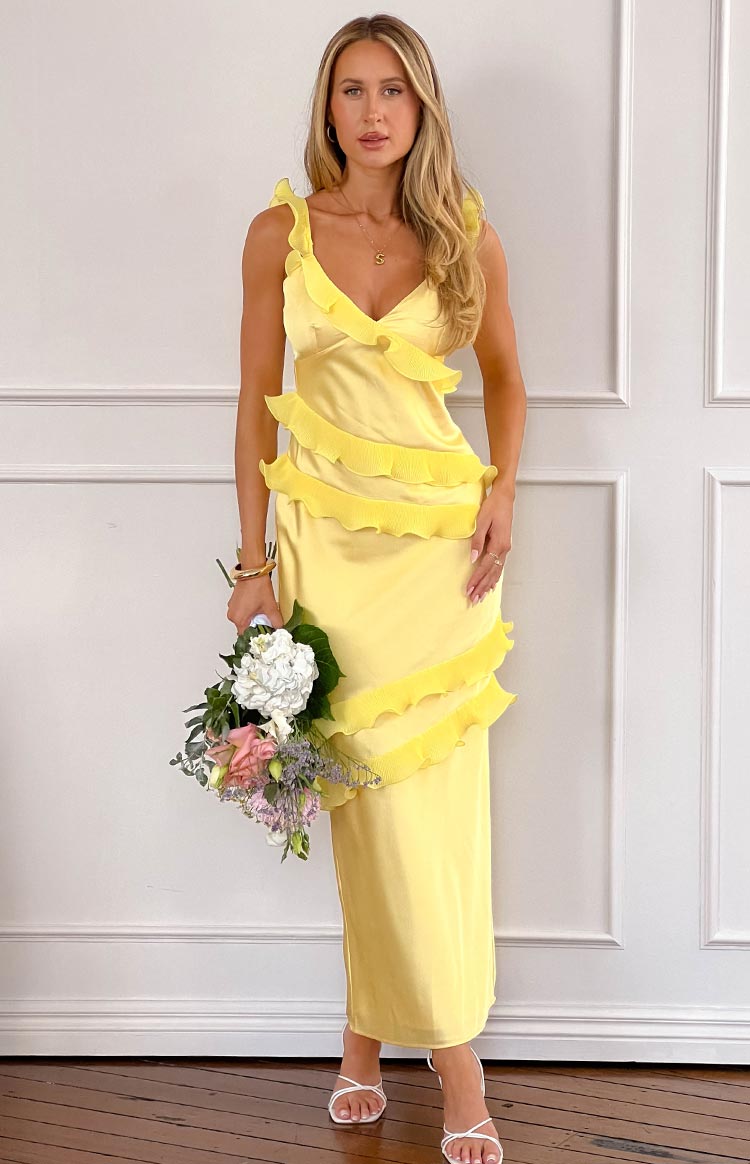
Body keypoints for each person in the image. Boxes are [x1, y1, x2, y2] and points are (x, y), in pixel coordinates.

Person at [228, 13, 526, 1163]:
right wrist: (252, 563)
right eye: (351, 90)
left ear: (422, 107)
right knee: (363, 808)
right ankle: (388, 1039)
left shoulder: (466, 235)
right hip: (326, 551)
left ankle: (438, 1055)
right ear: (328, 107)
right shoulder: (279, 234)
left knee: (430, 811)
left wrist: (503, 492)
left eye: (393, 90)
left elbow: (506, 377)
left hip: (441, 554)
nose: (372, 111)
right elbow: (254, 405)